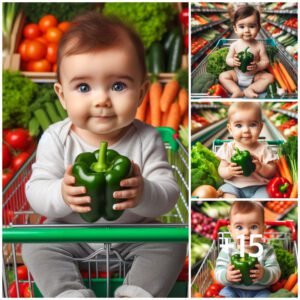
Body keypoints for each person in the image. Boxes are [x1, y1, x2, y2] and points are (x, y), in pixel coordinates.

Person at [22, 12, 186, 298]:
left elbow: (168, 193)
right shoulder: (55, 138)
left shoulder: (148, 138)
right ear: (62, 96)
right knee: (36, 245)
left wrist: (145, 192)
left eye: (118, 86)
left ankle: (135, 292)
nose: (102, 100)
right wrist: (60, 194)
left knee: (171, 241)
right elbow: (35, 190)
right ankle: (68, 292)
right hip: (71, 234)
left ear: (141, 92)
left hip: (134, 234)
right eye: (83, 87)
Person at [215, 201, 281, 298]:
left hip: (260, 291)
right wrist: (226, 276)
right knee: (224, 295)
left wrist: (264, 273)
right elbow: (218, 271)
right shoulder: (227, 250)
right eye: (239, 227)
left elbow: (276, 272)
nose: (246, 233)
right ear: (231, 231)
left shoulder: (267, 250)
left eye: (254, 227)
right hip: (233, 288)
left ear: (263, 229)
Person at [216, 102, 277, 198]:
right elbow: (221, 170)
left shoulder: (264, 149)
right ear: (230, 128)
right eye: (239, 125)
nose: (246, 130)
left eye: (252, 125)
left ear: (260, 127)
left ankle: (254, 204)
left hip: (259, 187)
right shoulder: (228, 148)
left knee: (267, 194)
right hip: (234, 186)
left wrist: (261, 167)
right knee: (227, 193)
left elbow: (272, 171)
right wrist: (228, 171)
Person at [219, 5, 274, 98]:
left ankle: (251, 89)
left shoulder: (259, 45)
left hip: (254, 76)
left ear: (258, 28)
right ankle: (236, 91)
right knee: (223, 76)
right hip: (237, 74)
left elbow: (266, 61)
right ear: (235, 29)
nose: (247, 30)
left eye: (252, 26)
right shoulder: (234, 45)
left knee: (269, 78)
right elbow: (228, 59)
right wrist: (233, 62)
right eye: (241, 26)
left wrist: (257, 66)